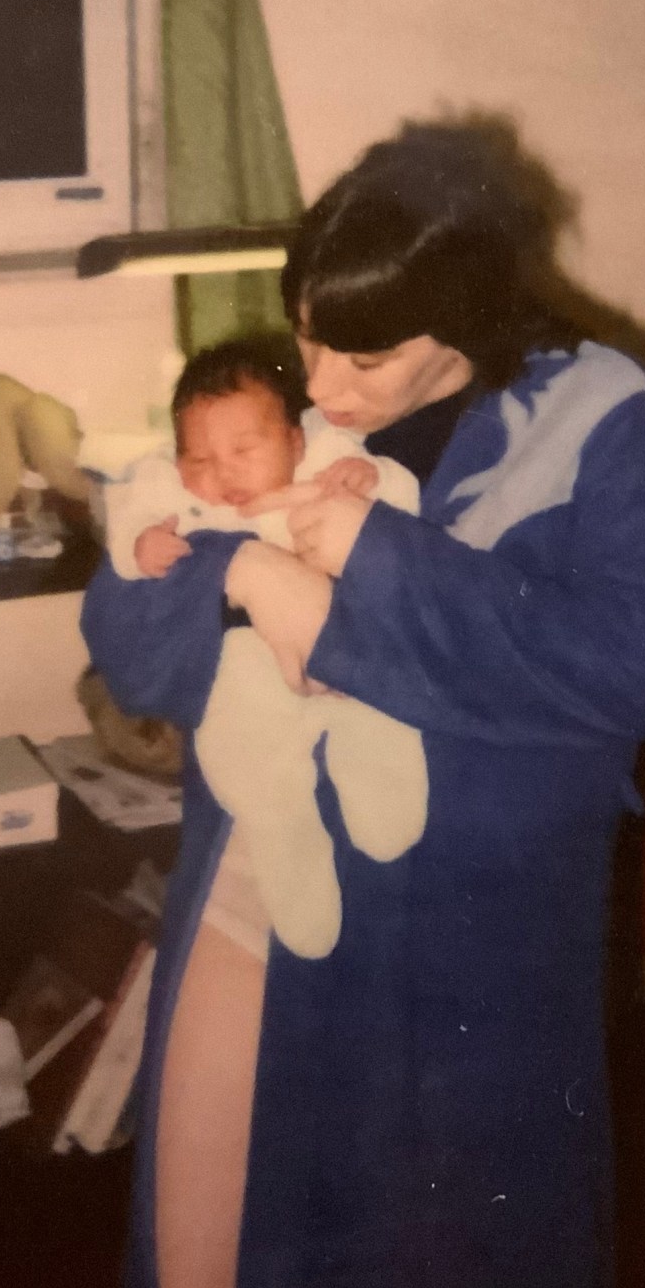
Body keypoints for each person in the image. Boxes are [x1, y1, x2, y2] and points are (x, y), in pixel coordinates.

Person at [79, 122, 645, 1288]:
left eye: (362, 355)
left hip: (472, 938)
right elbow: (131, 643)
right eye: (306, 335)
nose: (320, 381)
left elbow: (632, 669)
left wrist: (366, 568)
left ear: (463, 318)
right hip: (265, 880)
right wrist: (239, 572)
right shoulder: (274, 399)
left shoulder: (597, 410)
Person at [113, 335, 429, 962]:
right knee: (237, 747)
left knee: (382, 707)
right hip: (251, 659)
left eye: (243, 450)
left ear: (294, 441)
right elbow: (128, 514)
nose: (221, 472)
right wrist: (140, 543)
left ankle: (381, 791)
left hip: (349, 642)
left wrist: (370, 479)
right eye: (198, 458)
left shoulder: (329, 455)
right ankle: (285, 835)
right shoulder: (172, 489)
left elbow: (401, 496)